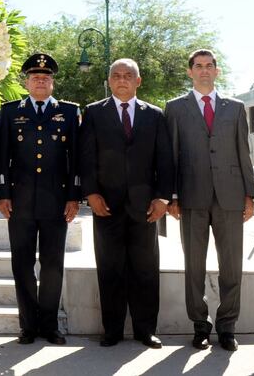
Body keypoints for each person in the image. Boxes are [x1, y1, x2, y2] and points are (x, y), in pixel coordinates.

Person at [79, 58, 174, 349]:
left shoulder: (155, 115)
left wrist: (162, 197)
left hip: (146, 207)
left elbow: (165, 161)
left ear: (138, 81)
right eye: (116, 75)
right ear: (109, 81)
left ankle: (147, 330)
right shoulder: (94, 113)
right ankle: (113, 330)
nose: (122, 80)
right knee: (110, 268)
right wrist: (91, 193)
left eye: (128, 75)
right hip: (105, 205)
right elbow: (86, 157)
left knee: (145, 269)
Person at [165, 49, 254, 351]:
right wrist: (173, 197)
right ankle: (200, 326)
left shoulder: (236, 107)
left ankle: (227, 326)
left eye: (209, 66)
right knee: (194, 265)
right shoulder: (175, 108)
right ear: (190, 72)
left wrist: (249, 195)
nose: (204, 70)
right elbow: (172, 156)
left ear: (217, 71)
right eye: (198, 66)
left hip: (230, 196)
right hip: (191, 197)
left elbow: (244, 152)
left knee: (232, 266)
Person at [0, 53, 80, 345]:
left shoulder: (69, 112)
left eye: (45, 78)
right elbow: (2, 157)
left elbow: (75, 160)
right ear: (27, 82)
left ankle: (49, 326)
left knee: (52, 264)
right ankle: (28, 326)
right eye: (35, 77)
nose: (40, 81)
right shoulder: (9, 112)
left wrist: (74, 196)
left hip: (56, 202)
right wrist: (2, 193)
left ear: (52, 82)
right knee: (22, 264)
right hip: (19, 202)